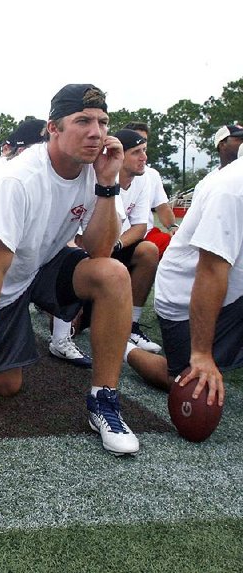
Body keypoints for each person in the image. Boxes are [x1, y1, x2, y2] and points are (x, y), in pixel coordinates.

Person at [0, 84, 140, 456]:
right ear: (53, 128)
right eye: (82, 121)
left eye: (102, 121)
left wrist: (108, 185)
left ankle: (103, 400)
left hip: (40, 265)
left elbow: (99, 250)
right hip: (1, 284)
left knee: (113, 274)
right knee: (8, 385)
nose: (96, 132)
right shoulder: (18, 180)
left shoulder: (95, 171)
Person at [126, 146, 243, 408]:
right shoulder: (232, 188)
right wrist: (200, 353)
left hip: (235, 286)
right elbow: (210, 271)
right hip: (186, 292)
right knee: (189, 384)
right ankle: (122, 348)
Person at [110, 129, 162, 353]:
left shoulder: (143, 180)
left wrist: (117, 245)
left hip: (115, 243)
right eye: (136, 152)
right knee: (75, 325)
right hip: (87, 246)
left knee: (149, 251)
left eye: (144, 151)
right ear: (120, 156)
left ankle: (132, 324)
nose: (144, 157)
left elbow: (140, 226)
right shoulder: (100, 174)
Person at [123, 121, 177, 259]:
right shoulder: (106, 175)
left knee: (179, 246)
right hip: (121, 237)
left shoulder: (150, 175)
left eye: (144, 142)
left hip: (145, 234)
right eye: (135, 144)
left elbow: (162, 206)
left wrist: (172, 227)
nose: (140, 144)